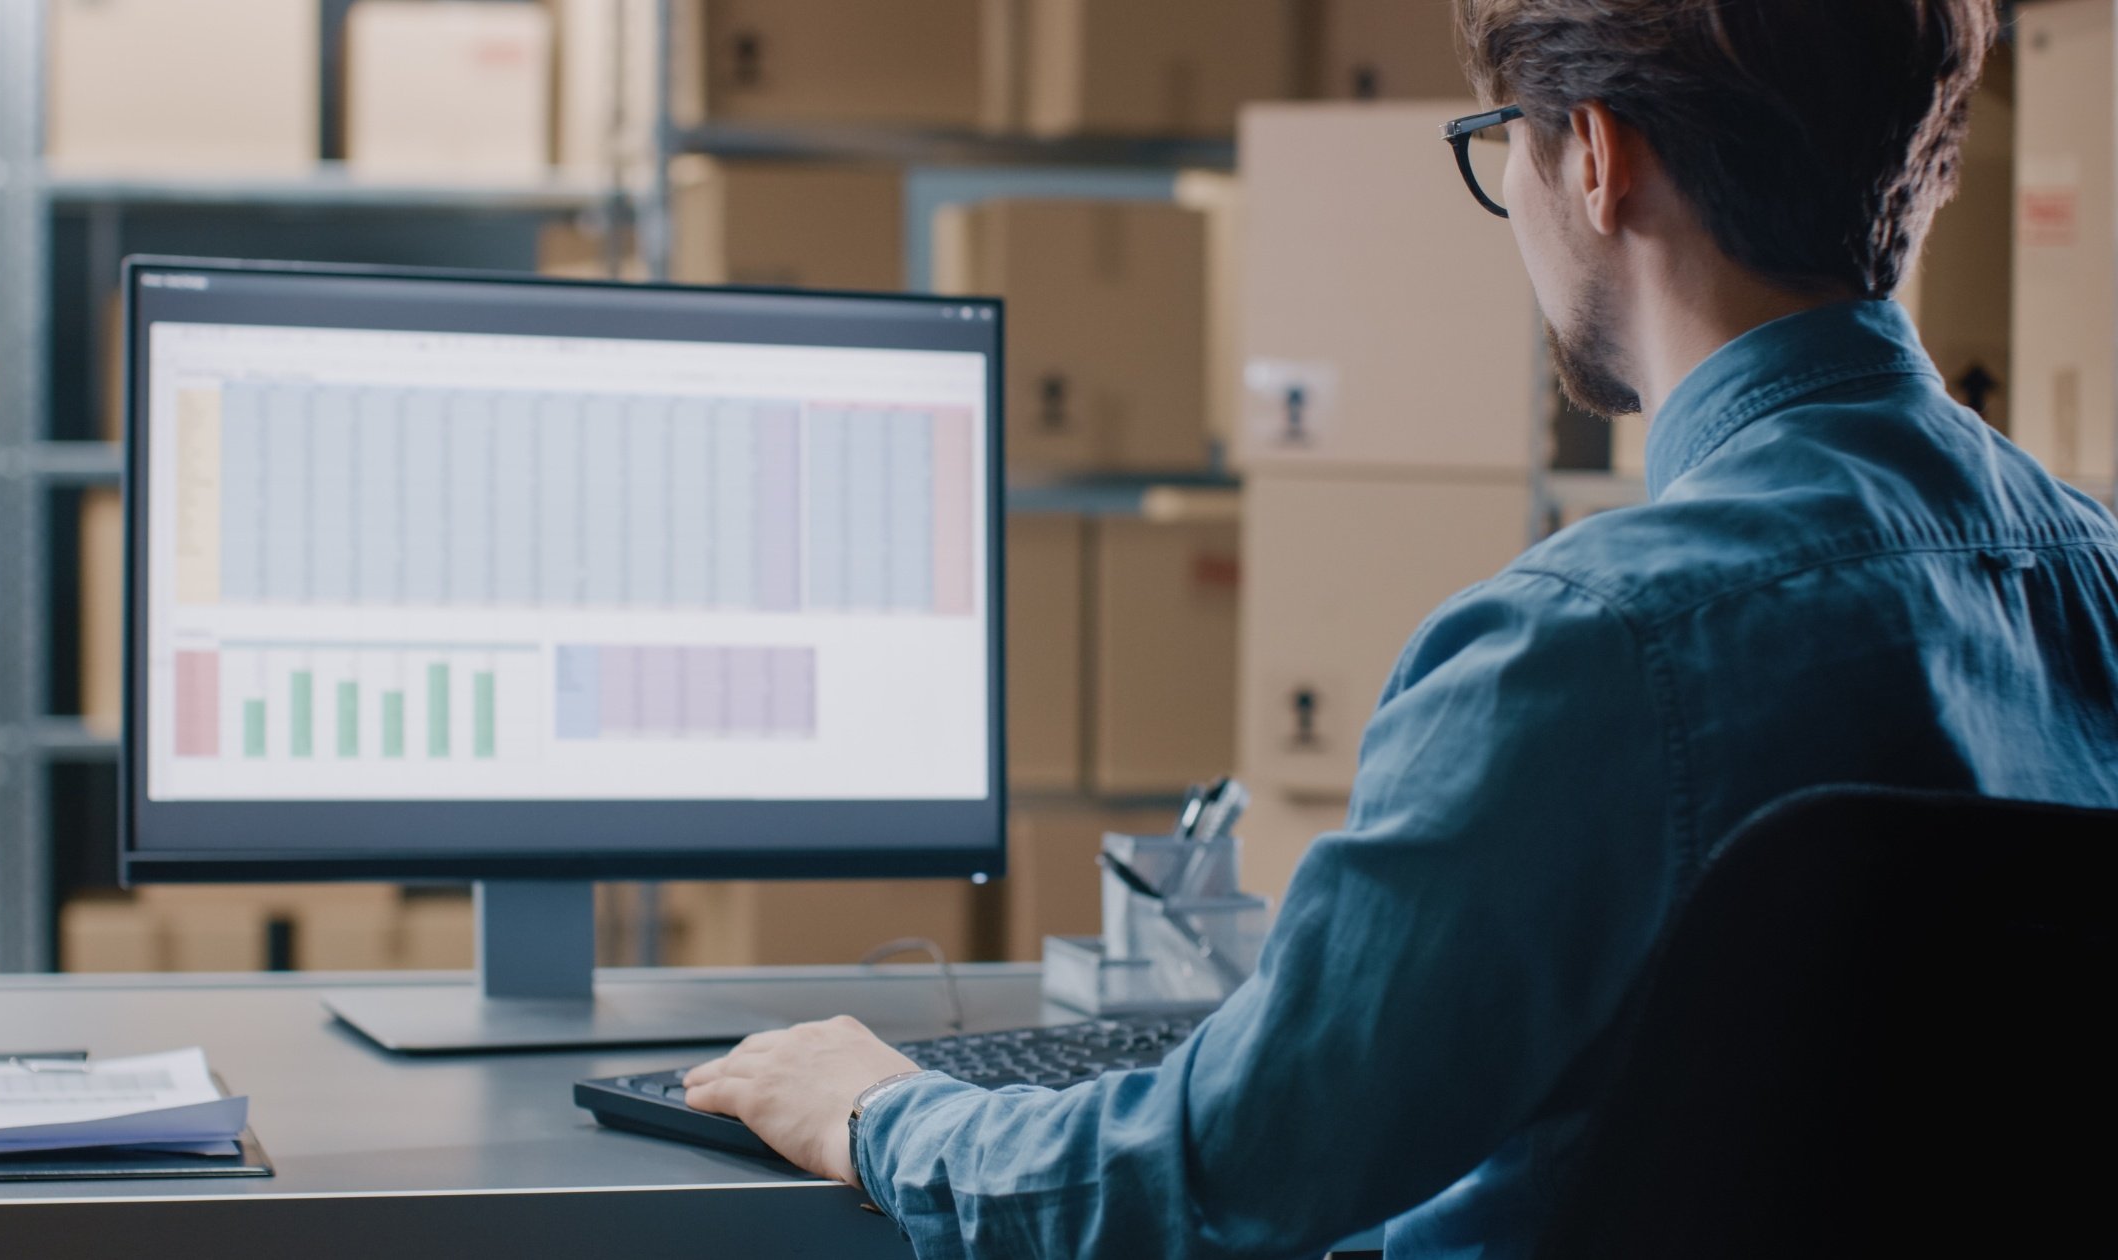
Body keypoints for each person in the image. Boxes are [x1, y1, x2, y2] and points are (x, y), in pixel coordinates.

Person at [682, 1, 2118, 1255]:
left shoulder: (1587, 646)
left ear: (1600, 159)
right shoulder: (2097, 578)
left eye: (1510, 143)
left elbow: (1219, 1180)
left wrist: (882, 1113)